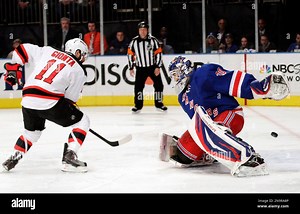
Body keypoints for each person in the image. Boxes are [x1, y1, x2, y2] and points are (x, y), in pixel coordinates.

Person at [159, 56, 290, 177]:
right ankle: (212, 152)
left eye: (176, 74)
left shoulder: (203, 73)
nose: (175, 79)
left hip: (229, 113)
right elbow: (198, 123)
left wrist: (261, 88)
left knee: (216, 129)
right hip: (210, 124)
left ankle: (248, 157)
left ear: (184, 69)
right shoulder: (182, 98)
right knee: (183, 154)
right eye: (173, 76)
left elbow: (232, 80)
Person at [2, 38, 90, 173]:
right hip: (49, 101)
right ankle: (70, 155)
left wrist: (14, 70)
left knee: (31, 133)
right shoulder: (79, 70)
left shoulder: (48, 51)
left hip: (27, 99)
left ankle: (14, 157)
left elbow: (21, 50)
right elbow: (70, 99)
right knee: (82, 121)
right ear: (77, 52)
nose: (83, 59)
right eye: (83, 55)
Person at [127, 21, 167, 113]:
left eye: (144, 30)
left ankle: (159, 104)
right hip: (140, 68)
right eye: (141, 30)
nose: (143, 32)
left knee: (159, 85)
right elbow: (130, 54)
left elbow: (159, 53)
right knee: (138, 87)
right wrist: (131, 67)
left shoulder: (153, 40)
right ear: (138, 31)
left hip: (152, 67)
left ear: (147, 30)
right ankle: (138, 106)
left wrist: (158, 66)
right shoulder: (134, 41)